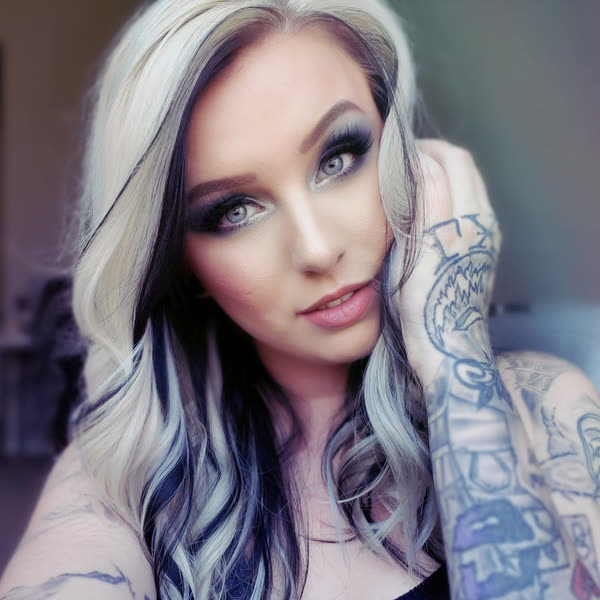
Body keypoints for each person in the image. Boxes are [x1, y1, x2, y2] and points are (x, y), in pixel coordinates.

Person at [1, 1, 599, 599]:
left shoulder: (544, 409)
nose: (316, 249)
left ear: (407, 157)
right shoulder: (120, 484)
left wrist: (451, 350)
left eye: (338, 160)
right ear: (182, 262)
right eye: (235, 211)